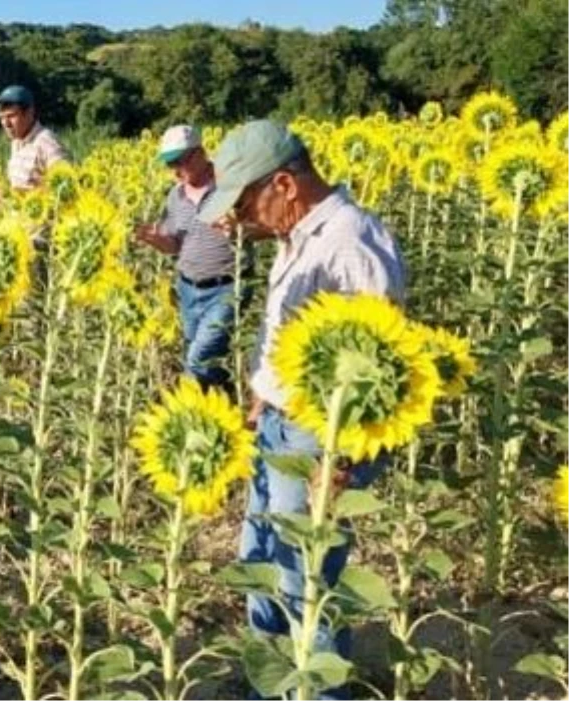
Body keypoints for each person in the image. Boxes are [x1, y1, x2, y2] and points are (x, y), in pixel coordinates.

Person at [197, 120, 406, 701]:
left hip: (321, 437)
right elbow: (292, 334)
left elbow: (381, 361)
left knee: (305, 580)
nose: (239, 219)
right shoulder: (299, 234)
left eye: (244, 203)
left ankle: (318, 692)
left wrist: (342, 462)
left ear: (284, 184)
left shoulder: (349, 240)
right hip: (279, 425)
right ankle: (272, 683)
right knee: (259, 558)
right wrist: (263, 390)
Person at [134, 124, 250, 394]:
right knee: (209, 361)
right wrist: (156, 240)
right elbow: (175, 244)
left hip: (226, 288)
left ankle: (187, 410)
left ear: (199, 153)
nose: (175, 170)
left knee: (198, 359)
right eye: (169, 164)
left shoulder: (230, 187)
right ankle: (228, 401)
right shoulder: (176, 196)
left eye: (179, 162)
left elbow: (263, 227)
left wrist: (239, 229)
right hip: (188, 289)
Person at [0, 85, 69, 191]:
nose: (6, 123)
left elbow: (66, 185)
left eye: (11, 116)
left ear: (29, 112)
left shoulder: (47, 143)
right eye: (2, 118)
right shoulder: (16, 143)